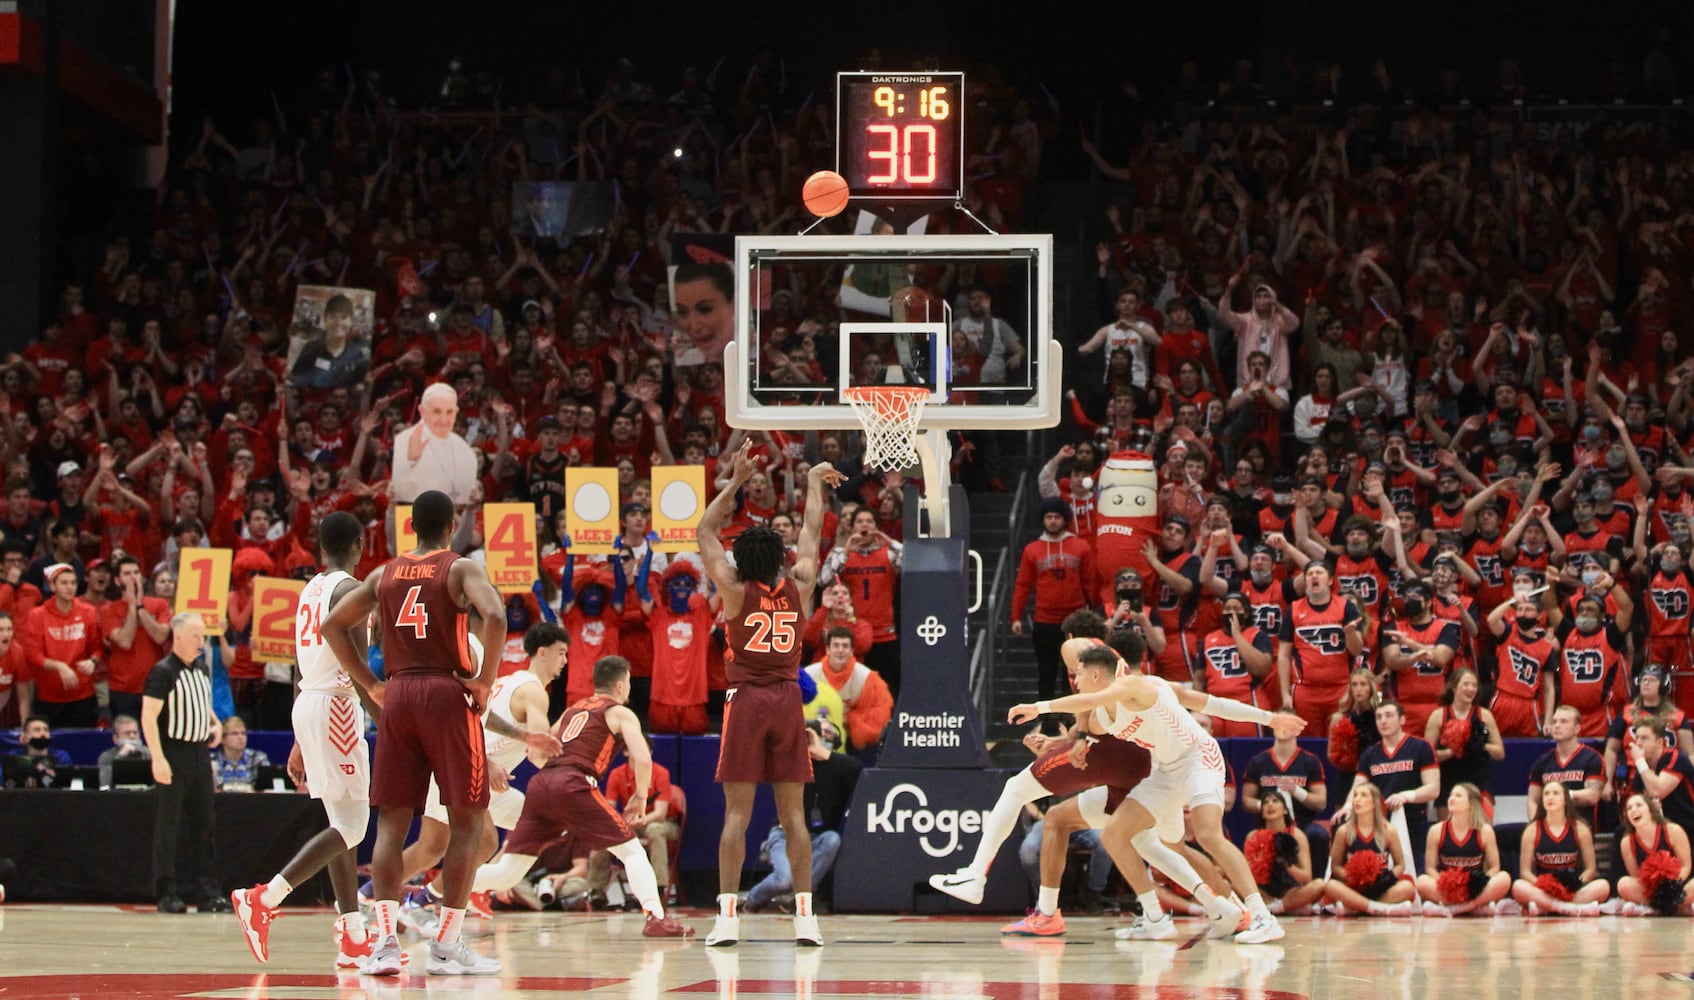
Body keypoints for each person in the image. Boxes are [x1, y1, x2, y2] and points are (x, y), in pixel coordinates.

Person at [320, 489, 507, 976]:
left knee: (390, 825)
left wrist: (368, 682)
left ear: (412, 529)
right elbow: (497, 615)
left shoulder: (384, 573)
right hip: (447, 693)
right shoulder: (462, 568)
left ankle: (383, 945)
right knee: (468, 821)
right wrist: (485, 681)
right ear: (451, 527)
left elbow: (333, 626)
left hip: (399, 695)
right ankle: (446, 945)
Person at [1004, 644, 1304, 943]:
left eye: (1078, 673)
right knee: (1116, 834)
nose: (1074, 678)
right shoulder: (1100, 715)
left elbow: (1212, 703)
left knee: (1208, 834)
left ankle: (1262, 916)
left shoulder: (1139, 685)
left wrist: (1270, 719)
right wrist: (1057, 743)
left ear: (1097, 674)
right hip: (1165, 770)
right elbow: (1084, 717)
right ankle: (1156, 918)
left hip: (1198, 756)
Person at [698, 441, 840, 947]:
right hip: (786, 699)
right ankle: (806, 918)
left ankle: (727, 918)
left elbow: (704, 531)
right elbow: (811, 532)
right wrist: (814, 485)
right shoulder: (800, 584)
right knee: (795, 817)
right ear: (779, 559)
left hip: (747, 700)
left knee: (737, 815)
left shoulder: (733, 589)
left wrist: (735, 481)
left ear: (741, 560)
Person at [451, 655, 692, 937]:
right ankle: (656, 918)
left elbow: (536, 753)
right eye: (627, 682)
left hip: (542, 783)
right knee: (632, 851)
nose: (628, 688)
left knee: (508, 872)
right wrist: (640, 796)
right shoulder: (619, 712)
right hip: (574, 781)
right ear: (619, 685)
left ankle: (434, 892)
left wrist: (556, 775)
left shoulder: (571, 710)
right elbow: (642, 758)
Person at [408, 623, 573, 917]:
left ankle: (474, 886)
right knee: (480, 840)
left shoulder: (509, 681)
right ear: (542, 652)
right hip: (468, 767)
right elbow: (538, 755)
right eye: (561, 653)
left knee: (431, 847)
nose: (565, 661)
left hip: (473, 771)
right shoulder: (534, 692)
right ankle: (433, 898)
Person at [142, 613, 229, 914]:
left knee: (205, 825)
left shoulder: (202, 668)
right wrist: (157, 758)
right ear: (177, 636)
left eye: (202, 636)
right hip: (173, 753)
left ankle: (208, 893)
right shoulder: (163, 671)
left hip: (199, 755)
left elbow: (203, 704)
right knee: (168, 827)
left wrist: (215, 724)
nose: (201, 642)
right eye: (196, 636)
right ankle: (166, 893)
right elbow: (148, 717)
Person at [743, 715, 863, 913]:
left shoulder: (839, 766)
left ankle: (799, 897)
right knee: (784, 881)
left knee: (832, 839)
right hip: (785, 836)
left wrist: (823, 754)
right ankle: (752, 899)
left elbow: (858, 769)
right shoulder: (789, 762)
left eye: (825, 731)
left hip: (817, 838)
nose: (817, 735)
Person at [1010, 499, 1095, 701]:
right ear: (1043, 520)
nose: (1053, 521)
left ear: (1065, 519)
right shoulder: (1032, 550)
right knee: (1046, 671)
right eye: (1049, 517)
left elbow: (1090, 582)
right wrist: (1015, 616)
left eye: (1057, 517)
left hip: (1076, 620)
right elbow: (1023, 585)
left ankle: (1073, 719)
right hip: (1045, 620)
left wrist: (1095, 612)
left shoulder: (1081, 546)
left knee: (1075, 673)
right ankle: (1046, 720)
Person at [1278, 561, 1363, 736]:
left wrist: (1350, 634)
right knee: (1308, 744)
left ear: (1330, 580)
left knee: (1342, 742)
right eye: (1309, 574)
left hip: (1341, 688)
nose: (1314, 576)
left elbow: (1356, 650)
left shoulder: (1346, 607)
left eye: (1319, 572)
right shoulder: (1293, 609)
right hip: (1305, 690)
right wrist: (1285, 694)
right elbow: (1283, 655)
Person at [21, 562, 102, 728]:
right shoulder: (37, 615)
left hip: (83, 694)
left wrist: (92, 661)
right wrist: (60, 666)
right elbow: (32, 655)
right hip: (49, 697)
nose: (69, 587)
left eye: (73, 582)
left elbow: (97, 648)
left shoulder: (88, 612)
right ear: (52, 586)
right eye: (64, 583)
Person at [1510, 781, 1609, 916]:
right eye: (1546, 794)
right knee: (1518, 886)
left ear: (1565, 800)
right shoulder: (1532, 830)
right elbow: (1525, 872)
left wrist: (1575, 885)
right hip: (1543, 889)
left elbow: (1590, 869)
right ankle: (1569, 908)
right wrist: (1545, 885)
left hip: (1572, 889)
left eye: (1555, 793)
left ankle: (1546, 907)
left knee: (1603, 886)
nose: (1550, 797)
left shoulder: (1580, 828)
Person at [1414, 783, 1513, 916]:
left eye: (1458, 795)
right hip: (1448, 889)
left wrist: (1479, 884)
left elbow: (1494, 867)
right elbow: (1430, 868)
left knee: (1504, 878)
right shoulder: (1436, 831)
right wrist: (1445, 884)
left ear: (1471, 804)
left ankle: (1459, 908)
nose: (1451, 798)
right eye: (1451, 795)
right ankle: (1476, 908)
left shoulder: (1485, 831)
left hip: (1475, 889)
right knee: (1421, 882)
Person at [1322, 783, 1416, 916]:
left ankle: (1356, 907)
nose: (1357, 799)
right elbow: (1335, 866)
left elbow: (1400, 864)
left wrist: (1387, 879)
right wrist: (1351, 877)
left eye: (1363, 795)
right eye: (1355, 795)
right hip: (1353, 887)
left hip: (1380, 886)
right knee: (1330, 886)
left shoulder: (1388, 830)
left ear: (1374, 802)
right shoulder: (1344, 831)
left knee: (1408, 887)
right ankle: (1380, 909)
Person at [101, 555, 174, 723]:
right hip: (122, 688)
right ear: (117, 581)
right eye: (127, 574)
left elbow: (160, 637)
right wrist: (132, 608)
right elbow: (125, 641)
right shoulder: (109, 610)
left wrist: (140, 606)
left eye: (136, 573)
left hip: (154, 686)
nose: (133, 577)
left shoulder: (159, 604)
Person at [1423, 668, 1503, 812]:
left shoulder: (1484, 715)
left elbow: (1500, 753)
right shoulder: (1438, 715)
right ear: (1453, 686)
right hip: (1448, 778)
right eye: (1466, 684)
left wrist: (1478, 744)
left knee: (1483, 829)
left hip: (1478, 778)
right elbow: (1427, 756)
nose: (1471, 689)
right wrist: (1452, 750)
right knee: (1447, 830)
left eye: (1474, 685)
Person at [803, 627, 894, 752]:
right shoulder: (809, 675)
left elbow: (879, 717)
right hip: (813, 738)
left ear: (851, 651)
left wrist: (851, 719)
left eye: (845, 646)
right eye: (836, 645)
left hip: (851, 741)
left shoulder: (866, 678)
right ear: (827, 650)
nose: (840, 650)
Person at [390, 383, 479, 507]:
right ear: (423, 411)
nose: (443, 419)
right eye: (437, 411)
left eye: (449, 412)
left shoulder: (466, 452)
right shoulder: (404, 442)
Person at [1245, 789, 1328, 915]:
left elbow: (1307, 878)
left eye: (1275, 801)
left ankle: (1277, 907)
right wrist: (1261, 862)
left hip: (1289, 891)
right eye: (1265, 802)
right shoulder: (1253, 835)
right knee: (1230, 883)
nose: (1270, 805)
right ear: (1262, 812)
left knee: (1319, 884)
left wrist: (1287, 864)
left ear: (1285, 810)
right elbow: (1245, 873)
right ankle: (1281, 905)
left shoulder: (1297, 835)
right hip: (1262, 890)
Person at [1526, 705, 1607, 829]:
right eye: (1554, 722)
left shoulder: (1592, 758)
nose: (1557, 726)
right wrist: (1536, 826)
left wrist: (1562, 795)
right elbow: (1533, 800)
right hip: (1549, 829)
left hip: (1581, 828)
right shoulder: (1542, 762)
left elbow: (1593, 795)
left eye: (1563, 722)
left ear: (1577, 728)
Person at [1614, 792, 1694, 916]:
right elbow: (1636, 876)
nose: (1633, 810)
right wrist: (1654, 887)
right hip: (1650, 891)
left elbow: (1686, 866)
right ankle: (1674, 908)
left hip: (1678, 885)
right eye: (1629, 808)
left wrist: (1672, 886)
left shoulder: (1673, 830)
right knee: (1623, 884)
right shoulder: (1626, 842)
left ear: (1651, 810)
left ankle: (1658, 908)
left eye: (1639, 805)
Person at [5, 714, 72, 788]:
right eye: (37, 730)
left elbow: (66, 784)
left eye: (46, 730)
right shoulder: (14, 755)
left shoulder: (61, 756)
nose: (43, 733)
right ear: (25, 737)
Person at [210, 715, 271, 792]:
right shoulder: (211, 760)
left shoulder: (258, 758)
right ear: (222, 739)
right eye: (235, 733)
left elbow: (265, 790)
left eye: (243, 733)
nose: (240, 737)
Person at [95, 713, 151, 789]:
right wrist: (120, 757)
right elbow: (105, 785)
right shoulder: (106, 757)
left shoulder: (149, 754)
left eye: (135, 733)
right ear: (116, 738)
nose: (132, 736)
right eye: (127, 733)